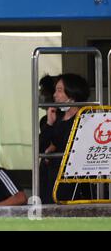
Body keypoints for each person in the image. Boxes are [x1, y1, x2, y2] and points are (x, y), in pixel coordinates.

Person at [39, 73, 92, 203]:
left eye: (59, 90)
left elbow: (77, 147)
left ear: (72, 94)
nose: (54, 95)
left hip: (71, 183)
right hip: (49, 180)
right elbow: (40, 147)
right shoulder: (54, 118)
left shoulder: (86, 118)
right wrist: (49, 124)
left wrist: (54, 147)